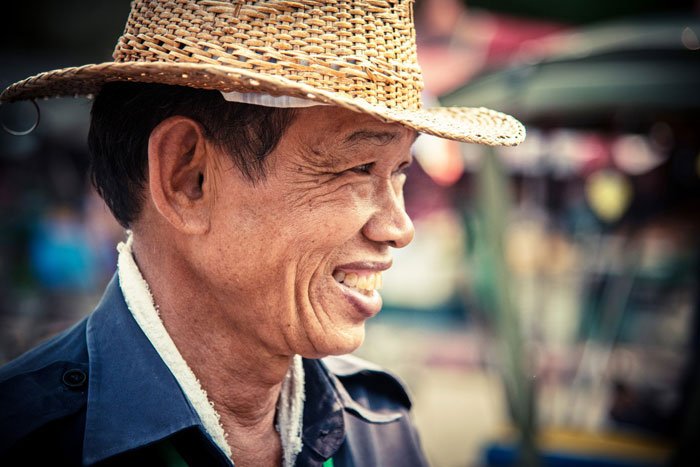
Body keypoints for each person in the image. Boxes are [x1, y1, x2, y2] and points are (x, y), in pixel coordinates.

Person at [0, 1, 524, 466]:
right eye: (358, 167)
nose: (399, 228)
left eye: (399, 171)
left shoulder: (380, 430)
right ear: (188, 178)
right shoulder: (26, 439)